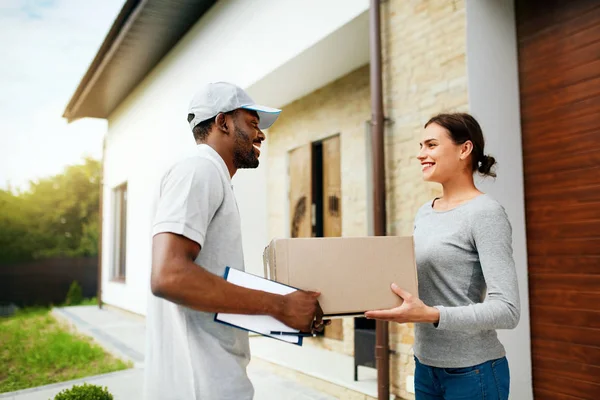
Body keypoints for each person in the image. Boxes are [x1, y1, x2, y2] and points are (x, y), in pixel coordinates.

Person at [144, 82, 327, 400]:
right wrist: (281, 305)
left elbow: (210, 283)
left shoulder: (211, 177)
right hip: (200, 384)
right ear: (223, 122)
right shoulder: (200, 170)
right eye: (253, 123)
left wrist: (287, 311)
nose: (261, 135)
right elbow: (169, 277)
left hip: (213, 378)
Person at [365, 113, 520, 400]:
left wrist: (432, 315)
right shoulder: (426, 211)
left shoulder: (485, 213)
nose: (420, 154)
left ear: (464, 150)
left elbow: (508, 310)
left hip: (473, 372)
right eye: (420, 146)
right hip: (425, 366)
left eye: (431, 145)